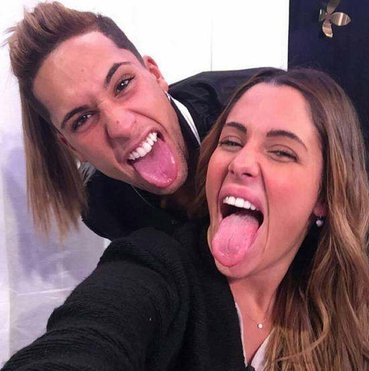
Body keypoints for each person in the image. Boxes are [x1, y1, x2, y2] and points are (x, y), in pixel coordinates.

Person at [0, 68, 369, 371]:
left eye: (281, 152)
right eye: (231, 141)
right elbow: (82, 350)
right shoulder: (155, 268)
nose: (241, 162)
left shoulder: (342, 309)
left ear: (323, 196)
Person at [7, 1, 262, 239]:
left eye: (123, 84)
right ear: (71, 146)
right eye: (82, 119)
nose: (122, 127)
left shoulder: (254, 107)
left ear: (154, 74)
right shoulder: (104, 208)